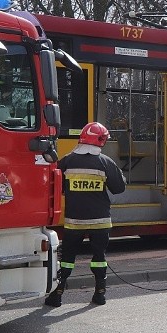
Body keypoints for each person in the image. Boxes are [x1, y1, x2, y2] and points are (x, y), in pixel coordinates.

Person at [45, 122, 126, 307]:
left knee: (67, 260)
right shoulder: (105, 162)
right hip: (101, 222)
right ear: (101, 140)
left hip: (74, 222)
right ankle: (100, 294)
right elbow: (119, 188)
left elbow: (55, 185)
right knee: (99, 258)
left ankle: (56, 296)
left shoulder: (67, 161)